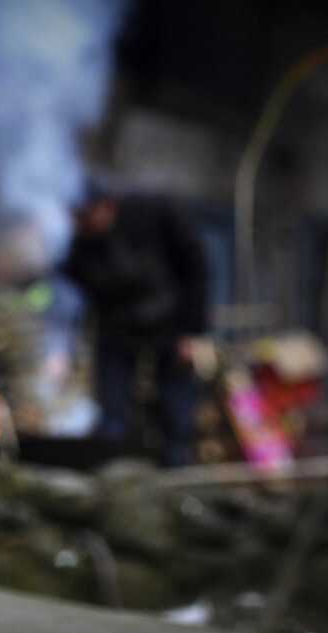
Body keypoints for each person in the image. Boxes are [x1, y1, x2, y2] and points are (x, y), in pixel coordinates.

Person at [61, 178, 210, 466]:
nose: (83, 226)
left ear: (108, 206)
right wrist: (63, 351)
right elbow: (69, 296)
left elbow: (197, 267)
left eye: (87, 217)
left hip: (172, 325)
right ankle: (116, 478)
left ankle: (176, 481)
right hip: (116, 331)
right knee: (112, 415)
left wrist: (192, 331)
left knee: (175, 414)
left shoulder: (157, 210)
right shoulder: (77, 241)